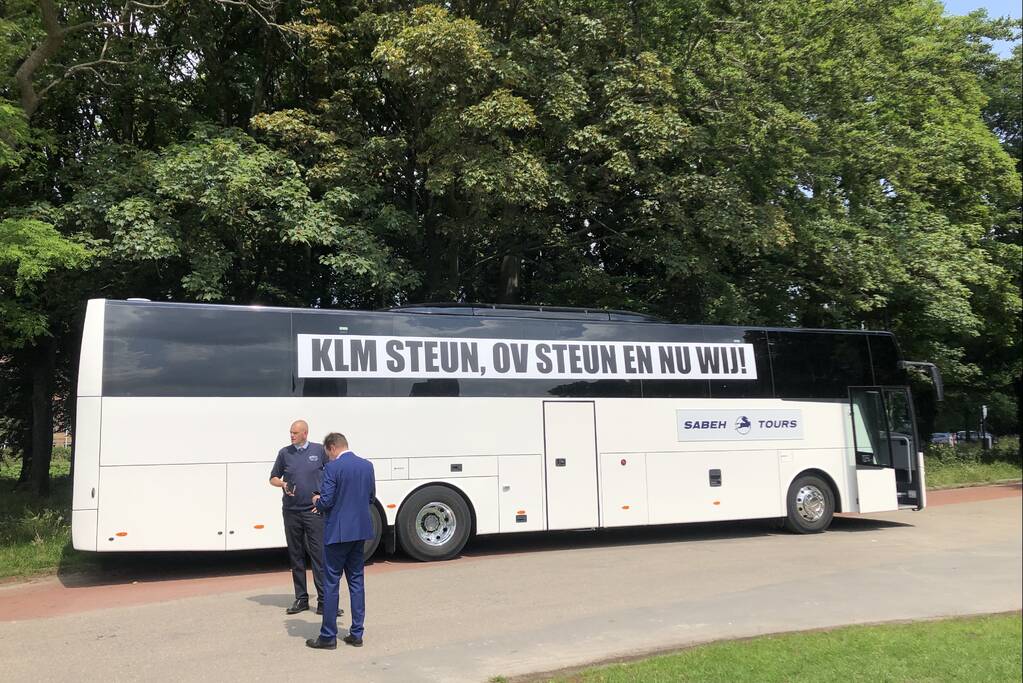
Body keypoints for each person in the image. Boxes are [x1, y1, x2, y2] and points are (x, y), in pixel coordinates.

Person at [306, 432, 376, 650]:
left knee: (331, 583)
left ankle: (328, 636)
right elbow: (371, 497)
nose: (329, 457)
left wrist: (316, 499)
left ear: (332, 448)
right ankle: (357, 633)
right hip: (360, 532)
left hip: (337, 534)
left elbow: (326, 501)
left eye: (328, 453)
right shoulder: (367, 466)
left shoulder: (333, 468)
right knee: (356, 582)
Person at [269, 420, 328, 616]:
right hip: (291, 511)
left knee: (319, 556)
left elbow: (331, 475)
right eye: (290, 432)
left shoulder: (319, 451)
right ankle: (301, 599)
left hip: (313, 512)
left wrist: (323, 497)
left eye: (295, 433)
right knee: (296, 556)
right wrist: (282, 484)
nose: (292, 435)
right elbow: (273, 478)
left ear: (305, 433)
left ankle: (323, 601)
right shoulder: (284, 453)